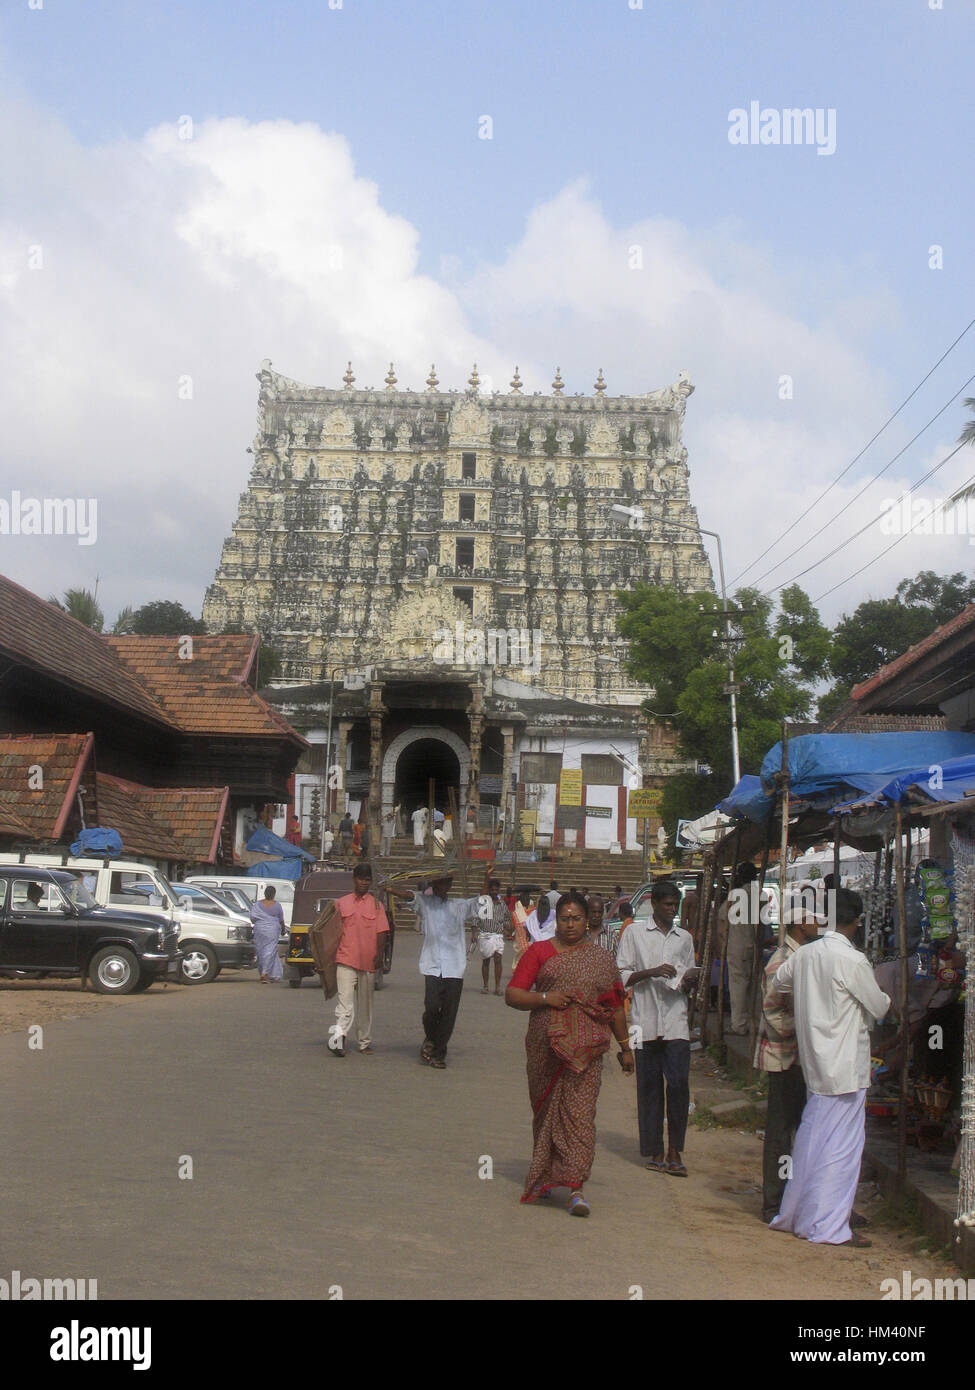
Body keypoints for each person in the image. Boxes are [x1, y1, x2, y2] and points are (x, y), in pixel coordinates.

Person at [769, 888, 890, 1247]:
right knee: (840, 1149)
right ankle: (828, 1225)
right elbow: (880, 1007)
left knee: (811, 1141)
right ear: (856, 922)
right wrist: (887, 996)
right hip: (844, 1067)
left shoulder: (806, 955)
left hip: (815, 1064)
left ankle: (796, 1214)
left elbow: (780, 981)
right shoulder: (852, 960)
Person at [506, 892, 632, 1215]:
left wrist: (625, 1047)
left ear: (586, 920)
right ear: (556, 921)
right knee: (546, 1110)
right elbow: (513, 995)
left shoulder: (600, 959)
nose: (571, 924)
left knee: (580, 1116)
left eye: (577, 919)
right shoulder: (540, 952)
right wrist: (546, 997)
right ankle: (546, 1174)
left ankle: (576, 1188)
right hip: (546, 1047)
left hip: (586, 1051)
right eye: (565, 919)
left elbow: (614, 1005)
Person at [616, 881, 699, 1176]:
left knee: (678, 1086)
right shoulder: (635, 934)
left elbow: (688, 975)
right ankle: (655, 1149)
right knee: (649, 1088)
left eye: (675, 905)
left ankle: (676, 1149)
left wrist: (688, 982)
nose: (672, 910)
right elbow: (622, 974)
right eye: (667, 905)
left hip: (676, 1020)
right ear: (654, 905)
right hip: (643, 1021)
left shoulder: (684, 938)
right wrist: (652, 972)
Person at [755, 908, 821, 1223]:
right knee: (781, 1131)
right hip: (784, 1057)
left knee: (796, 1129)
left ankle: (790, 1199)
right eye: (813, 918)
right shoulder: (782, 962)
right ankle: (774, 1201)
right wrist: (808, 1026)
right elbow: (774, 1014)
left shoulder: (800, 957)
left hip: (797, 1057)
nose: (818, 923)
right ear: (798, 923)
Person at [388, 869, 490, 1068]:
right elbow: (410, 896)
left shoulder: (459, 906)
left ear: (449, 885)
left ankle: (439, 1053)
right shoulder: (426, 904)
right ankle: (431, 1038)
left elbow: (479, 901)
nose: (438, 887)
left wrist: (486, 877)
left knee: (449, 1012)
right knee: (432, 1007)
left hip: (455, 966)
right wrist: (390, 888)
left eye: (443, 883)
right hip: (432, 965)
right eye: (436, 884)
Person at [331, 862, 390, 1058]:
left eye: (367, 880)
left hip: (368, 963)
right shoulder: (341, 903)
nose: (364, 883)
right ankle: (338, 1040)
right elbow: (331, 931)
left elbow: (382, 932)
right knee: (344, 1005)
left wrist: (379, 955)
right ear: (354, 879)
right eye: (360, 878)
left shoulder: (376, 905)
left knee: (365, 1006)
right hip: (346, 959)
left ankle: (364, 1042)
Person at [718, 862, 760, 1034]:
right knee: (753, 985)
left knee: (738, 985)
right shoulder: (761, 893)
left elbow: (722, 917)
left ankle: (739, 1025)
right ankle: (755, 1023)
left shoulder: (736, 895)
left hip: (738, 943)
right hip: (754, 943)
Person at [471, 877, 513, 996]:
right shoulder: (483, 903)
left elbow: (507, 918)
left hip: (498, 935)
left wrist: (507, 928)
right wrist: (474, 932)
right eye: (492, 889)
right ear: (489, 890)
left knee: (498, 960)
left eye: (496, 890)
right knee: (486, 961)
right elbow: (476, 918)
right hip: (485, 935)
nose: (494, 892)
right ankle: (485, 986)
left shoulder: (502, 904)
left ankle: (498, 987)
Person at [250, 886, 285, 983]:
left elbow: (252, 919)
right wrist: (283, 929)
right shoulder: (277, 905)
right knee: (270, 951)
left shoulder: (257, 905)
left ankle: (265, 972)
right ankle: (264, 973)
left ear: (265, 893)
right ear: (274, 894)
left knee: (261, 951)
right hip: (272, 931)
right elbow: (281, 920)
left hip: (259, 930)